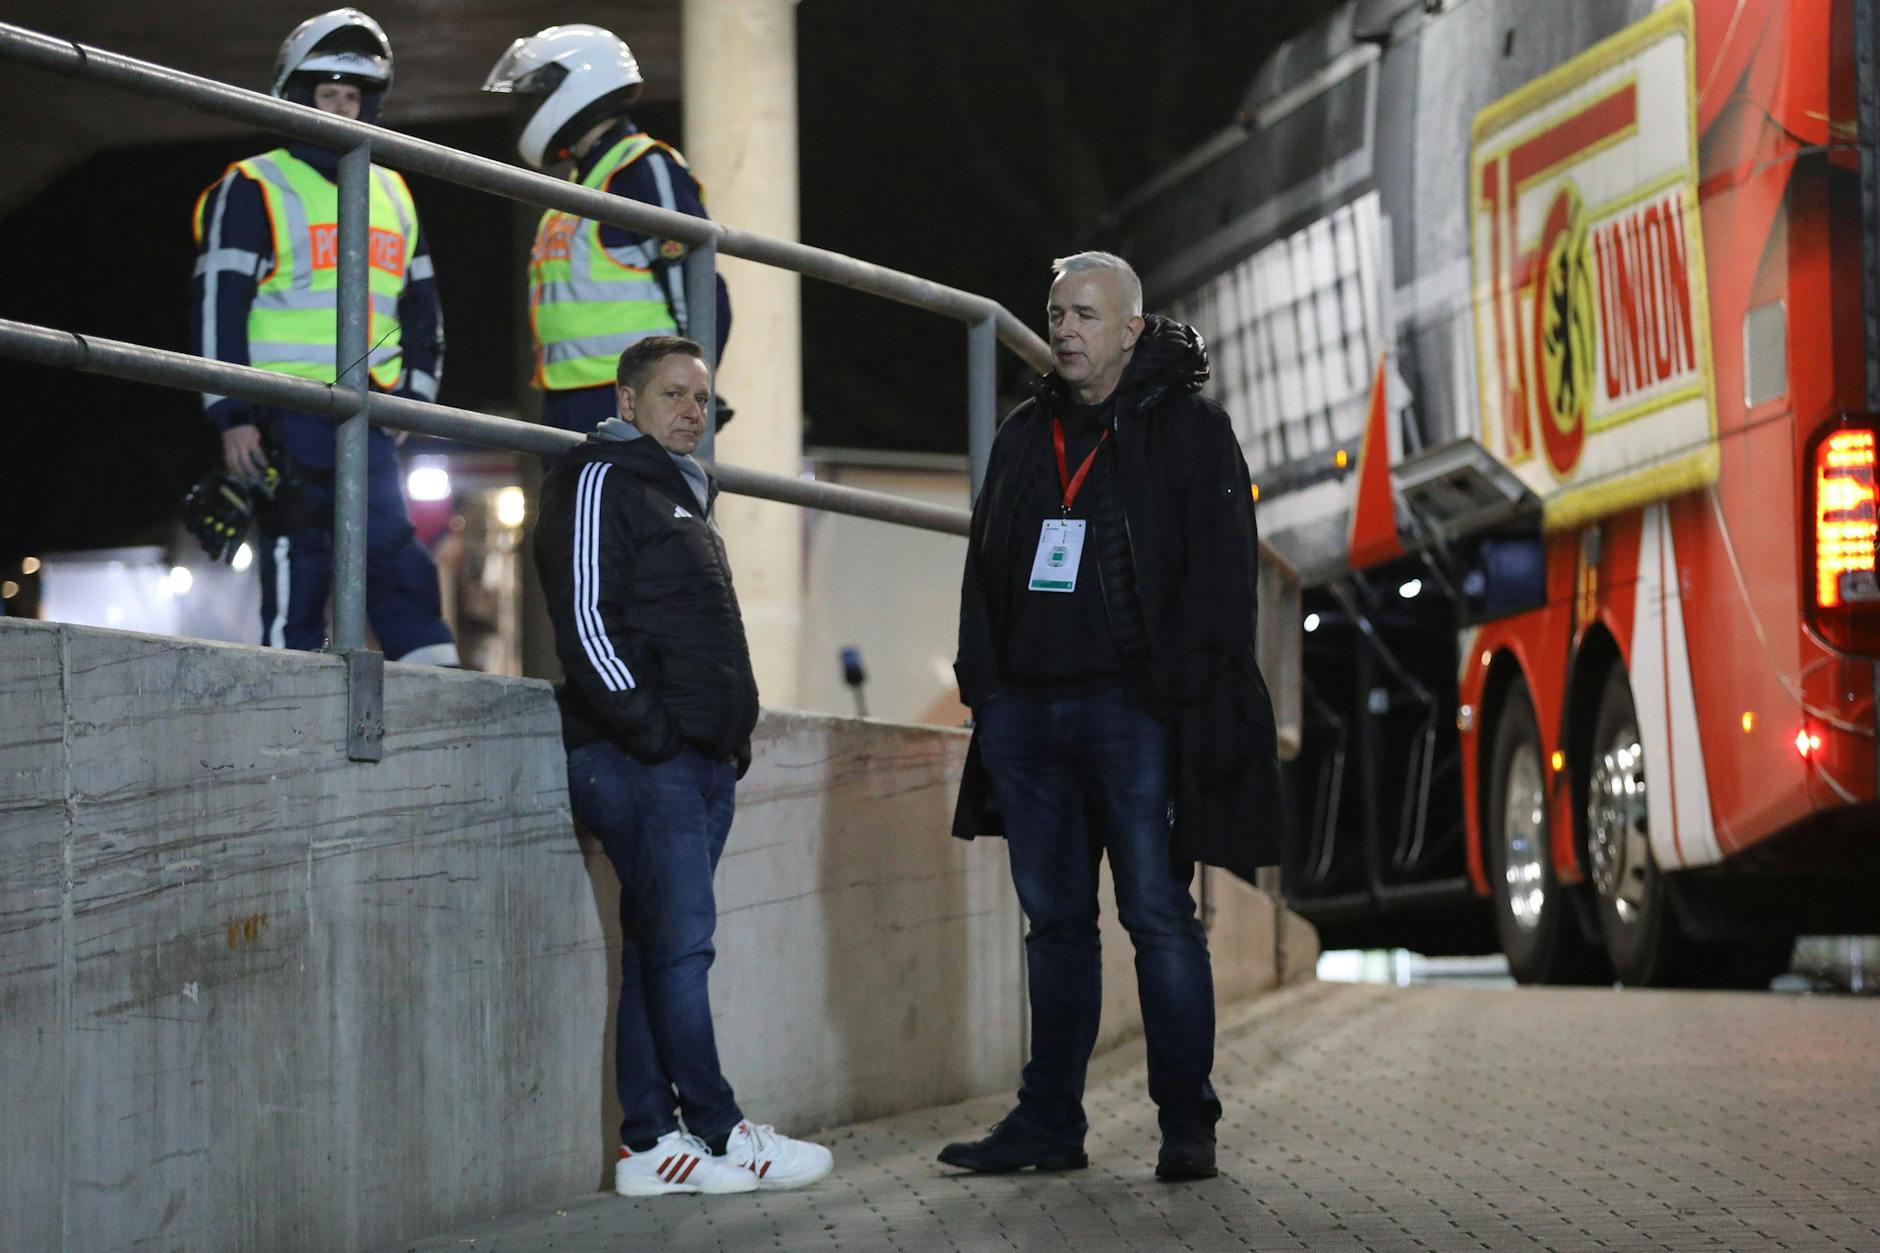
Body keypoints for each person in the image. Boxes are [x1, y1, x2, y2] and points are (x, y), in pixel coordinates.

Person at [944, 251, 1282, 1182]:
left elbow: (1223, 577)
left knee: (1157, 916)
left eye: (1086, 314)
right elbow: (984, 565)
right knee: (1054, 926)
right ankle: (1049, 1123)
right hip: (1029, 721)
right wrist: (989, 690)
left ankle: (1187, 1124)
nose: (1064, 330)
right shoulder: (1025, 432)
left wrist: (1171, 691)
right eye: (1056, 312)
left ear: (1132, 330)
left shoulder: (1190, 430)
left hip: (1134, 715)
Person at [533, 335, 832, 1196]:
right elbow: (586, 617)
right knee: (679, 949)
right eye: (673, 395)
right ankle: (717, 1125)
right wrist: (652, 732)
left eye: (702, 398)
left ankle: (650, 1145)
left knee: (662, 947)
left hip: (698, 762)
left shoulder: (684, 493)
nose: (692, 410)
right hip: (637, 757)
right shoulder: (598, 478)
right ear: (628, 403)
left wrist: (725, 742)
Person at [188, 8, 457, 664]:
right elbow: (218, 307)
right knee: (299, 558)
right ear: (296, 96)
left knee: (396, 559)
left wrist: (412, 401)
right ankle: (292, 711)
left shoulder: (393, 190)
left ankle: (444, 698)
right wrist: (232, 414)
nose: (340, 109)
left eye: (352, 97)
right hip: (285, 410)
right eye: (327, 95)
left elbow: (423, 312)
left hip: (369, 413)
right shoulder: (254, 185)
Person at [483, 24, 732, 436]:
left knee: (627, 502)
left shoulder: (643, 167)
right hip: (568, 395)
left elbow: (700, 285)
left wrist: (694, 392)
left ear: (575, 89)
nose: (528, 109)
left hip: (630, 397)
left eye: (536, 96)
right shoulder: (585, 184)